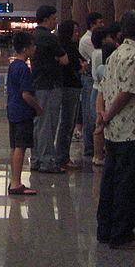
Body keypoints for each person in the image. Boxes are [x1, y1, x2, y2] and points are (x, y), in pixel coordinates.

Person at [96, 10, 135, 250]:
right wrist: (108, 114)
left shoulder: (115, 54)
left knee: (111, 181)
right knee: (130, 184)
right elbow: (127, 92)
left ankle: (105, 229)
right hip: (133, 130)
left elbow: (103, 89)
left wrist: (103, 117)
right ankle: (122, 233)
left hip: (114, 131)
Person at [31, 5, 68, 174]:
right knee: (49, 123)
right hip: (50, 84)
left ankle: (36, 158)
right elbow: (64, 60)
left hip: (38, 84)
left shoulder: (34, 36)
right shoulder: (50, 38)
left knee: (39, 123)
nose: (55, 22)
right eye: (54, 18)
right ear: (46, 19)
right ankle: (47, 160)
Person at [6, 30, 41, 195]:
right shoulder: (24, 69)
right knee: (21, 146)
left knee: (14, 146)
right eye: (33, 45)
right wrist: (37, 107)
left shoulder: (13, 65)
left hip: (12, 109)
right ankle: (16, 182)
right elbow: (26, 94)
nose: (35, 49)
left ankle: (14, 179)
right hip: (22, 111)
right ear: (26, 49)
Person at [55, 19, 83, 169]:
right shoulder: (67, 48)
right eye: (75, 32)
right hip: (69, 87)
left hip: (70, 86)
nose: (77, 35)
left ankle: (62, 155)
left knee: (68, 123)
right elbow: (78, 66)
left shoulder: (71, 47)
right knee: (67, 122)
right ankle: (62, 156)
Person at [90, 24, 117, 166]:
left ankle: (97, 155)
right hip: (105, 96)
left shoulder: (95, 55)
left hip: (98, 93)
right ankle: (100, 154)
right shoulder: (108, 67)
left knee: (98, 124)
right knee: (101, 125)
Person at [78, 12, 104, 159]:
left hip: (93, 81)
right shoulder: (88, 41)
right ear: (92, 25)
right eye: (99, 22)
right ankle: (90, 147)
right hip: (92, 82)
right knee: (90, 114)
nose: (102, 25)